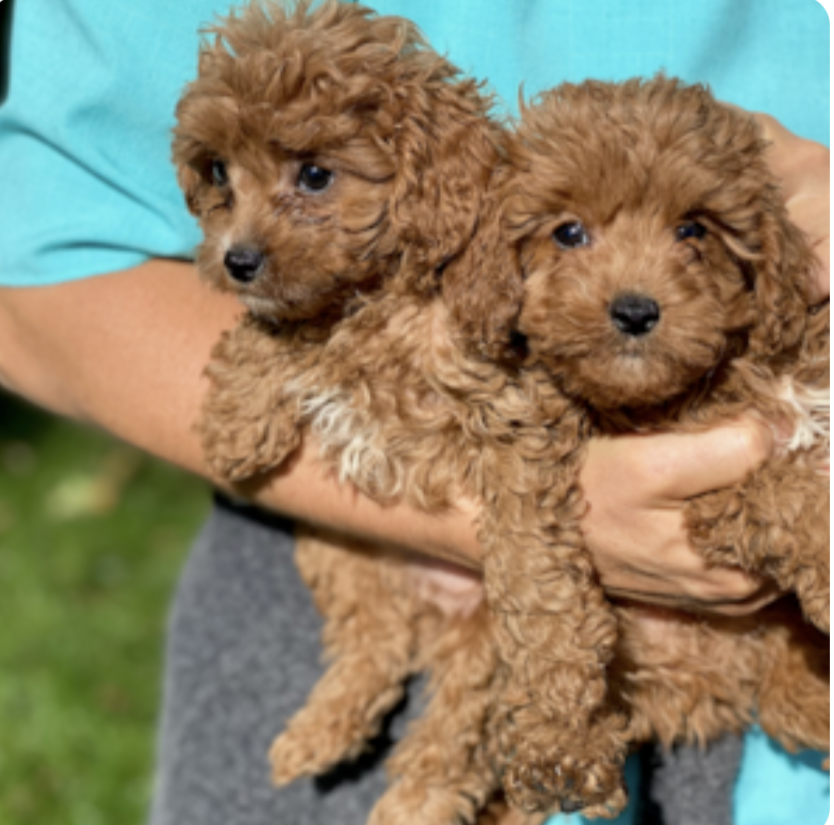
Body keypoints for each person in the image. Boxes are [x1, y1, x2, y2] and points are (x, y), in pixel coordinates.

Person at [0, 1, 828, 823]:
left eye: (312, 178)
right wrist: (509, 520)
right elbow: (32, 273)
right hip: (338, 531)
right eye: (222, 178)